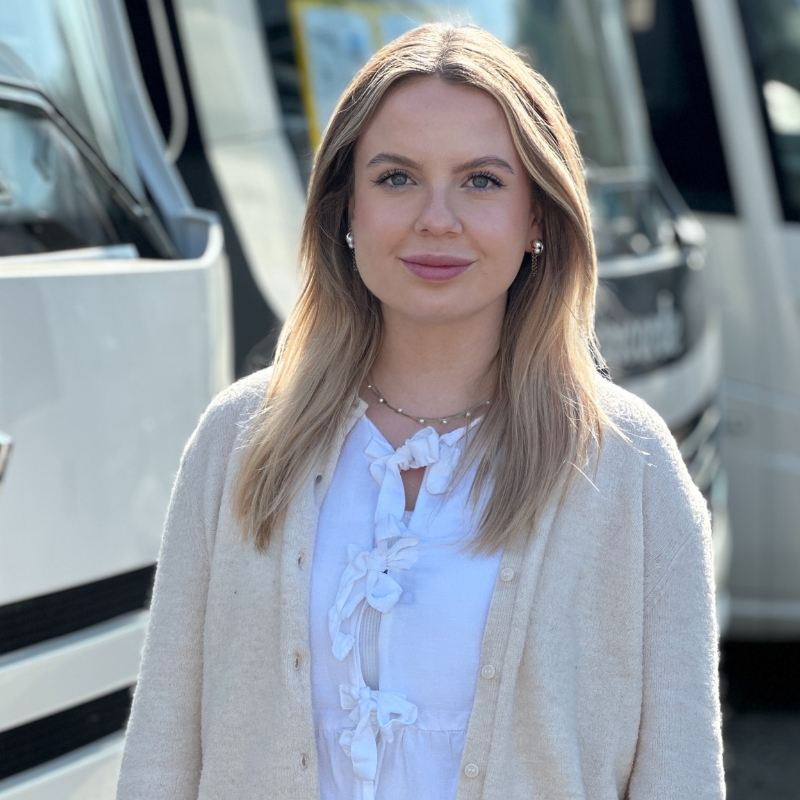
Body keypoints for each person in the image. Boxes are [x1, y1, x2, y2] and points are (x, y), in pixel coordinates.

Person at [116, 22, 724, 800]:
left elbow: (681, 777)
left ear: (538, 216)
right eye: (397, 178)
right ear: (345, 208)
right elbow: (162, 755)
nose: (437, 218)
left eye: (482, 181)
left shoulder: (629, 466)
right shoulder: (239, 441)